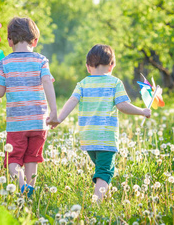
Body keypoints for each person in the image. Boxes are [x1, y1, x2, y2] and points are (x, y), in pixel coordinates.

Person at [50, 44, 151, 202]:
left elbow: (71, 101)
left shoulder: (83, 83)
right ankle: (95, 204)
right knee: (104, 172)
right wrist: (142, 111)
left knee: (102, 170)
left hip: (88, 137)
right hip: (105, 138)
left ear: (88, 67)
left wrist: (59, 119)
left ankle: (105, 200)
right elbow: (122, 105)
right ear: (112, 65)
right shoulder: (114, 83)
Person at [0, 17, 59, 198]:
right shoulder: (41, 60)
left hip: (17, 124)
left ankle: (20, 184)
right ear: (35, 41)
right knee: (32, 158)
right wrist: (53, 111)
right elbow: (47, 82)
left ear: (9, 41)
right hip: (39, 122)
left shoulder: (4, 63)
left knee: (13, 159)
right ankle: (30, 194)